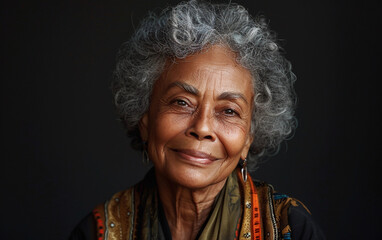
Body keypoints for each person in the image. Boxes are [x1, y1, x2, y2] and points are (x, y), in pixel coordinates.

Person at [70, 1, 325, 239]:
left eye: (228, 111)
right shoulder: (98, 231)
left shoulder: (289, 228)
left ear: (248, 139)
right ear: (145, 121)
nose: (202, 128)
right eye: (181, 102)